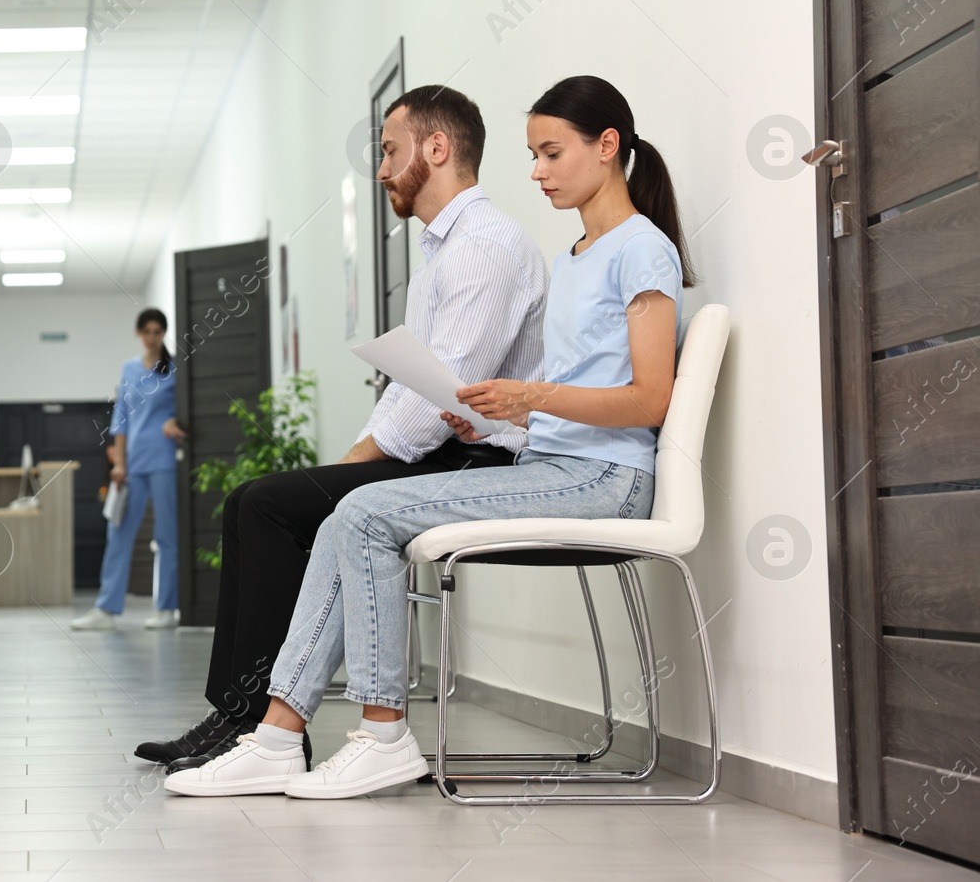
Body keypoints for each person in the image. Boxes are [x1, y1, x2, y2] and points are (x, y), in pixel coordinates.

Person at [165, 75, 696, 798]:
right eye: (533, 155)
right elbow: (571, 398)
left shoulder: (642, 248)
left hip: (606, 478)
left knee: (363, 509)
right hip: (552, 458)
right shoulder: (576, 255)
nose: (536, 171)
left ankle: (383, 733)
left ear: (608, 148)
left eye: (550, 152)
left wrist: (531, 396)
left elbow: (650, 397)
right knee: (342, 516)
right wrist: (497, 412)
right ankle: (276, 735)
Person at [135, 85, 548, 771]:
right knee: (252, 500)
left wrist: (358, 463)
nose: (382, 168)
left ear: (437, 148)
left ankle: (256, 728)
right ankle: (245, 719)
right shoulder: (444, 251)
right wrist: (355, 455)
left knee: (266, 505)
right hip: (442, 451)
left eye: (390, 150)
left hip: (478, 461)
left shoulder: (485, 248)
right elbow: (411, 388)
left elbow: (444, 393)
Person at [71, 309, 186, 630]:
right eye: (147, 331)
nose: (152, 337)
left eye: (157, 331)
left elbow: (186, 408)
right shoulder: (129, 369)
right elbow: (120, 417)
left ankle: (167, 608)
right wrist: (119, 463)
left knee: (166, 536)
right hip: (133, 463)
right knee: (119, 532)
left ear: (163, 334)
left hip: (163, 459)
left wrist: (176, 421)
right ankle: (106, 609)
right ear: (138, 333)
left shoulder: (175, 369)